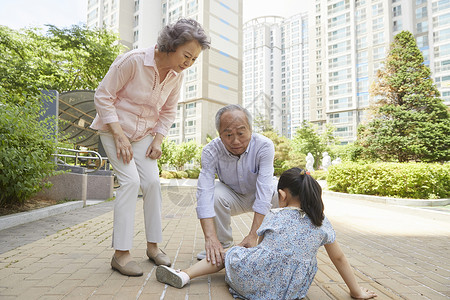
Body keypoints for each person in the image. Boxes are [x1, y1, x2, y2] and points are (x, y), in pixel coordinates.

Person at [90, 19, 210, 277]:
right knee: (131, 182)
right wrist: (119, 135)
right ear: (171, 45)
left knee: (153, 183)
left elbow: (168, 111)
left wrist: (158, 140)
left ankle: (153, 247)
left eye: (193, 59)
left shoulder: (177, 76)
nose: (188, 63)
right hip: (115, 129)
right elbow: (103, 95)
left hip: (144, 133)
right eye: (186, 55)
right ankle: (120, 254)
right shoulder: (132, 61)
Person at [155, 168, 378, 300]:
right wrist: (356, 291)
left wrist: (239, 249)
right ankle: (187, 273)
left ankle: (185, 274)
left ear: (281, 195)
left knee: (231, 253)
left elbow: (261, 249)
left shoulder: (274, 215)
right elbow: (338, 258)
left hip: (253, 282)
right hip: (290, 291)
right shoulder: (322, 223)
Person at [195, 104, 279, 265]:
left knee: (279, 191)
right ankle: (221, 245)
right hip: (232, 196)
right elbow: (204, 192)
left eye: (241, 133)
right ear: (219, 134)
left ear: (250, 129)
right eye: (228, 134)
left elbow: (264, 189)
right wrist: (209, 238)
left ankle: (267, 244)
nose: (235, 141)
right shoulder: (210, 151)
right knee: (214, 193)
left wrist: (253, 234)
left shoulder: (264, 146)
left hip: (259, 194)